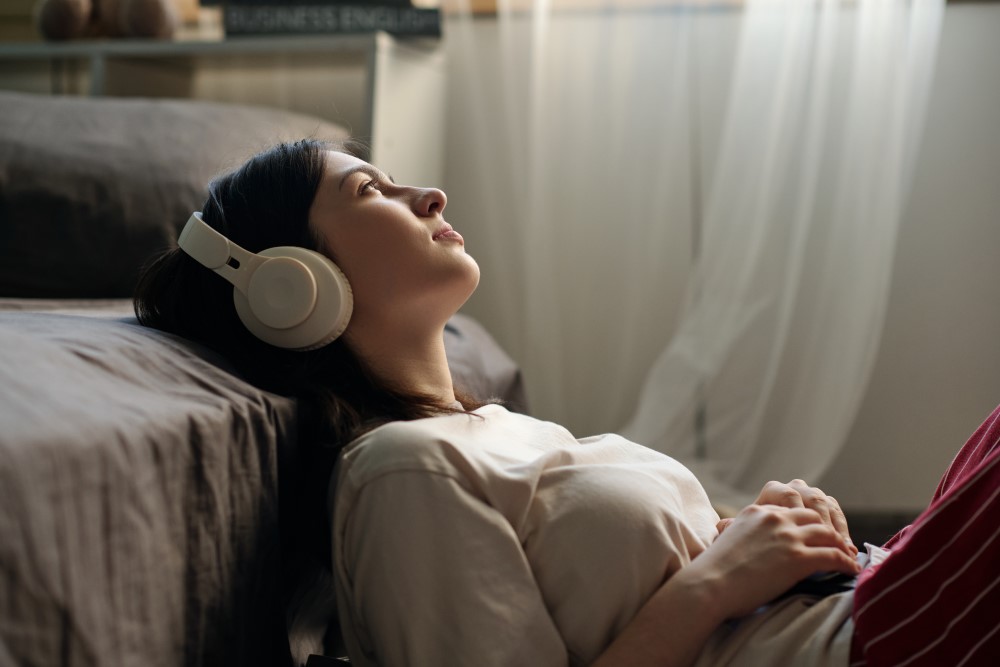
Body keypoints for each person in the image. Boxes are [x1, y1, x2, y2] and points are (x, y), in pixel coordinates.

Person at [134, 139, 1000, 667]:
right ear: (291, 286)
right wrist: (717, 582)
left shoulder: (498, 432)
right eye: (370, 191)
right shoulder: (400, 471)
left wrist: (757, 532)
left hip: (870, 593)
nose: (427, 195)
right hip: (867, 642)